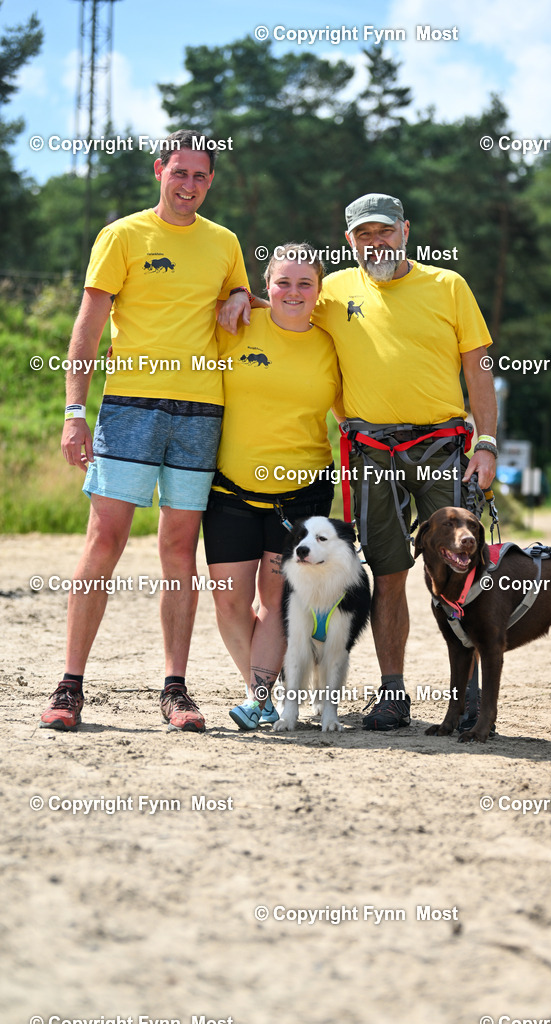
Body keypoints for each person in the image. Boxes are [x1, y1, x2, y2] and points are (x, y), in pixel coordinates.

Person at [222, 192, 497, 732]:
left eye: (385, 232)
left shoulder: (449, 286)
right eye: (364, 235)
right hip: (371, 450)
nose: (377, 243)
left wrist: (485, 442)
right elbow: (286, 300)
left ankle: (468, 696)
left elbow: (478, 369)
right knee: (389, 572)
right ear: (350, 242)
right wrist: (238, 295)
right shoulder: (334, 291)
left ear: (406, 230)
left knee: (461, 569)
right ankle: (394, 695)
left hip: (443, 444)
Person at [40, 129, 249, 734]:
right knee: (104, 540)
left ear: (212, 181)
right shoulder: (123, 235)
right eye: (179, 173)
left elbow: (240, 296)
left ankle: (175, 689)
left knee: (179, 550)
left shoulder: (226, 242)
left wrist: (239, 295)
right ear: (159, 170)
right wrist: (74, 411)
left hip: (201, 412)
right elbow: (88, 325)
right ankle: (71, 684)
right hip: (130, 406)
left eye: (201, 177)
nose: (189, 186)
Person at [203, 243, 341, 730]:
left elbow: (349, 419)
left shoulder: (332, 345)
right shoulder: (236, 327)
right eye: (283, 282)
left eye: (305, 283)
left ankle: (259, 698)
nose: (293, 292)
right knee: (229, 601)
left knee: (278, 599)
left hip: (301, 496)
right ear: (266, 286)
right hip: (231, 491)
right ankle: (265, 689)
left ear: (319, 290)